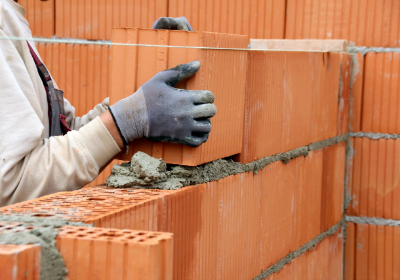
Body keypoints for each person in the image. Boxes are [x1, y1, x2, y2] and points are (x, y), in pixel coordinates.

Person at [0, 0, 217, 206]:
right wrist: (129, 118)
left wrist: (142, 97)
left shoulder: (11, 15)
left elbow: (63, 137)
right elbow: (12, 183)